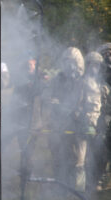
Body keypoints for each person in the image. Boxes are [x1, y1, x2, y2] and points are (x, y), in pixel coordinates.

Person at [48, 47, 87, 193]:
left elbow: (84, 106)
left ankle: (77, 194)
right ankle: (60, 191)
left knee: (78, 164)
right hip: (59, 127)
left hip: (78, 129)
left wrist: (67, 109)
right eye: (67, 61)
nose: (70, 66)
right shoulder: (57, 80)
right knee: (59, 161)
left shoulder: (83, 82)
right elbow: (49, 100)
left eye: (73, 62)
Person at [82, 52, 103, 193]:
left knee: (98, 154)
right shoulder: (82, 82)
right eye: (91, 64)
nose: (94, 68)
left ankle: (96, 180)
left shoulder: (102, 82)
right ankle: (86, 184)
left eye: (97, 65)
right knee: (87, 153)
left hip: (100, 123)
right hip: (87, 124)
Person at [96, 43, 111, 189]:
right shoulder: (96, 77)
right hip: (102, 117)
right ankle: (100, 179)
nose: (109, 57)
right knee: (101, 147)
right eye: (105, 54)